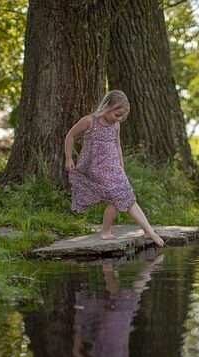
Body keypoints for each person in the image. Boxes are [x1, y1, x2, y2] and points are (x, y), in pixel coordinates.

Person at [64, 90, 165, 247]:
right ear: (107, 106)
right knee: (119, 195)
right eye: (117, 114)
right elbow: (70, 135)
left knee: (125, 197)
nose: (119, 119)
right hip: (96, 167)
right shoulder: (90, 121)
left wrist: (121, 166)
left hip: (113, 167)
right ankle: (142, 230)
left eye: (122, 116)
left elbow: (117, 146)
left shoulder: (116, 125)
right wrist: (69, 157)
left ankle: (142, 230)